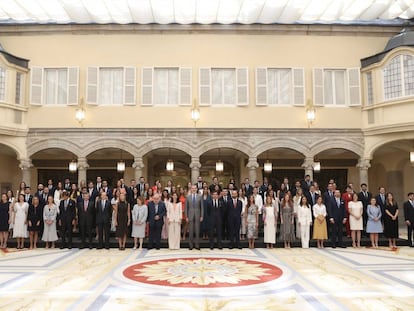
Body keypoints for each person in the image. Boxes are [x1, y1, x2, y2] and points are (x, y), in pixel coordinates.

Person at [186, 185, 204, 250]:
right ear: (191, 189)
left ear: (196, 189)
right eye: (192, 188)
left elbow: (202, 207)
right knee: (190, 231)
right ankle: (190, 245)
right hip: (190, 215)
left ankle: (197, 245)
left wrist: (202, 216)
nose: (193, 189)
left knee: (197, 231)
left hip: (198, 215)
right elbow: (186, 208)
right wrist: (186, 216)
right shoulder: (188, 197)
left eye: (195, 188)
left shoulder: (200, 197)